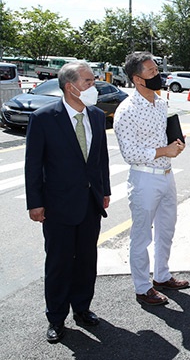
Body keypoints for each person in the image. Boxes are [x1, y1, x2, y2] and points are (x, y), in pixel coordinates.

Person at [25, 61, 111, 343]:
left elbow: (101, 160)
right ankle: (56, 318)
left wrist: (105, 190)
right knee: (60, 262)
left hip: (90, 202)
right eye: (87, 82)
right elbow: (33, 165)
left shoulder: (97, 116)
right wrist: (35, 203)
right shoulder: (44, 118)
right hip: (58, 205)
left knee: (87, 260)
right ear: (70, 87)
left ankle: (83, 309)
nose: (93, 87)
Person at [113, 51, 189, 307]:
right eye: (151, 72)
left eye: (157, 70)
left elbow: (161, 136)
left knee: (167, 229)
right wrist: (163, 151)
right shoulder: (127, 110)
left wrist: (175, 145)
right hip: (144, 179)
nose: (158, 75)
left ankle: (162, 275)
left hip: (167, 175)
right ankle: (142, 287)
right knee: (142, 235)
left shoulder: (160, 101)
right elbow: (129, 153)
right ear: (137, 78)